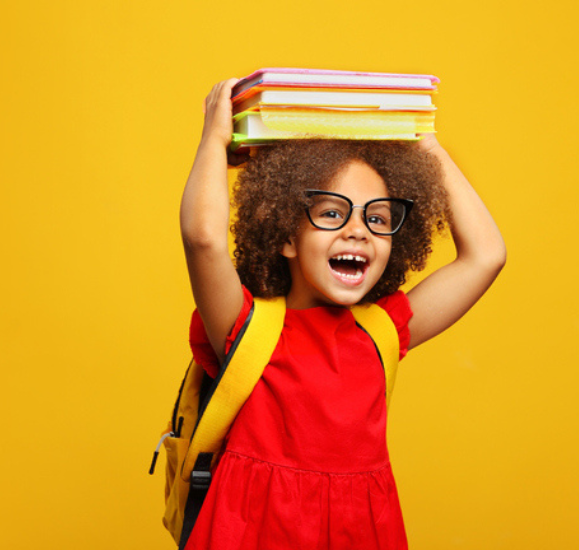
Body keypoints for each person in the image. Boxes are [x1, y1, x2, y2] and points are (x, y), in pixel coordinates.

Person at [178, 77, 506, 550]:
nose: (358, 231)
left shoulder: (382, 330)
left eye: (376, 218)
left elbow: (486, 256)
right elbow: (203, 239)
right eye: (332, 214)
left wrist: (421, 138)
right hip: (252, 532)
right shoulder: (245, 325)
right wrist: (214, 140)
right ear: (285, 237)